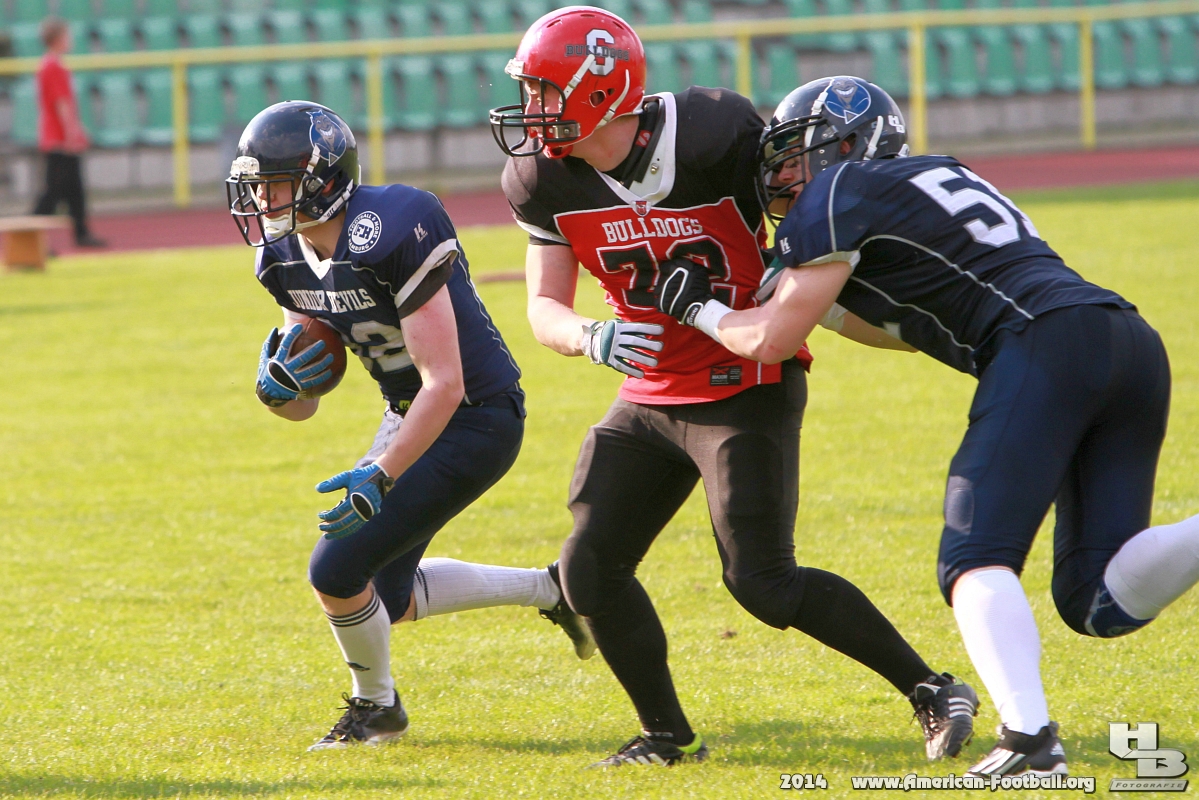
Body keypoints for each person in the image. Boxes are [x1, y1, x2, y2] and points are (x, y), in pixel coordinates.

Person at [657, 75, 1199, 777]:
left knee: (973, 558)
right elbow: (908, 329)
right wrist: (808, 300)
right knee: (1095, 601)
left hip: (1043, 343)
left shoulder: (838, 190)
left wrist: (699, 309)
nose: (784, 175)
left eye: (796, 154)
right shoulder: (935, 175)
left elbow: (769, 340)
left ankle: (1030, 743)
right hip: (1125, 340)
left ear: (846, 143)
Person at [489, 8, 977, 768]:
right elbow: (543, 308)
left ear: (599, 88)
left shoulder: (713, 135)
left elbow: (814, 221)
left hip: (744, 377)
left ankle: (932, 689)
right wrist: (590, 336)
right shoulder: (539, 179)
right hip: (649, 391)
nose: (531, 108)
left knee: (762, 582)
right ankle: (667, 736)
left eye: (544, 90)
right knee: (588, 571)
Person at [229, 101, 595, 751]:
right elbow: (304, 405)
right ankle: (554, 588)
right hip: (410, 413)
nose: (261, 201)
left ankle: (377, 710)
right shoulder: (282, 258)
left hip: (477, 416)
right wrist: (278, 390)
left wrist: (381, 471)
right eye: (255, 186)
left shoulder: (394, 224)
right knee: (385, 598)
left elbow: (445, 382)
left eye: (274, 184)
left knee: (336, 571)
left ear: (321, 178)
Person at [32, 17, 104, 248]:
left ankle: (81, 232)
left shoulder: (50, 64)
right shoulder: (53, 66)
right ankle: (31, 237)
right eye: (67, 35)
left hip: (58, 136)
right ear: (57, 38)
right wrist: (72, 136)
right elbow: (61, 103)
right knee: (52, 194)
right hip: (58, 140)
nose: (70, 39)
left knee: (75, 190)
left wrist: (76, 130)